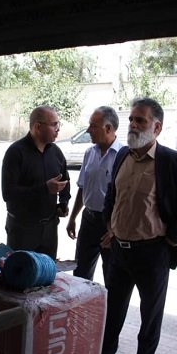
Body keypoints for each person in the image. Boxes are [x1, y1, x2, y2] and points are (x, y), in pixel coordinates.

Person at [99, 97, 177, 354]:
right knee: (111, 315)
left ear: (156, 127)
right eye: (131, 119)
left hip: (152, 253)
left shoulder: (174, 162)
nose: (132, 125)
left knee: (150, 320)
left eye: (140, 120)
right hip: (119, 253)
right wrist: (110, 226)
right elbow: (112, 194)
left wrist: (174, 237)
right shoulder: (122, 155)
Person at [1, 105, 71, 260]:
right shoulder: (16, 152)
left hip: (49, 229)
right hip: (22, 230)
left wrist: (63, 202)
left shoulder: (56, 152)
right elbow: (8, 193)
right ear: (38, 127)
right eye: (54, 124)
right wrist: (44, 189)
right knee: (22, 272)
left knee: (47, 272)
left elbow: (65, 181)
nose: (58, 129)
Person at [66, 106, 122, 282]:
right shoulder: (90, 152)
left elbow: (128, 199)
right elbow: (83, 187)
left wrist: (115, 229)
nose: (88, 130)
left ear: (108, 128)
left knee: (111, 276)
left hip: (111, 225)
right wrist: (73, 218)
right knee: (80, 273)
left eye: (93, 126)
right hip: (89, 220)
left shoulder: (124, 155)